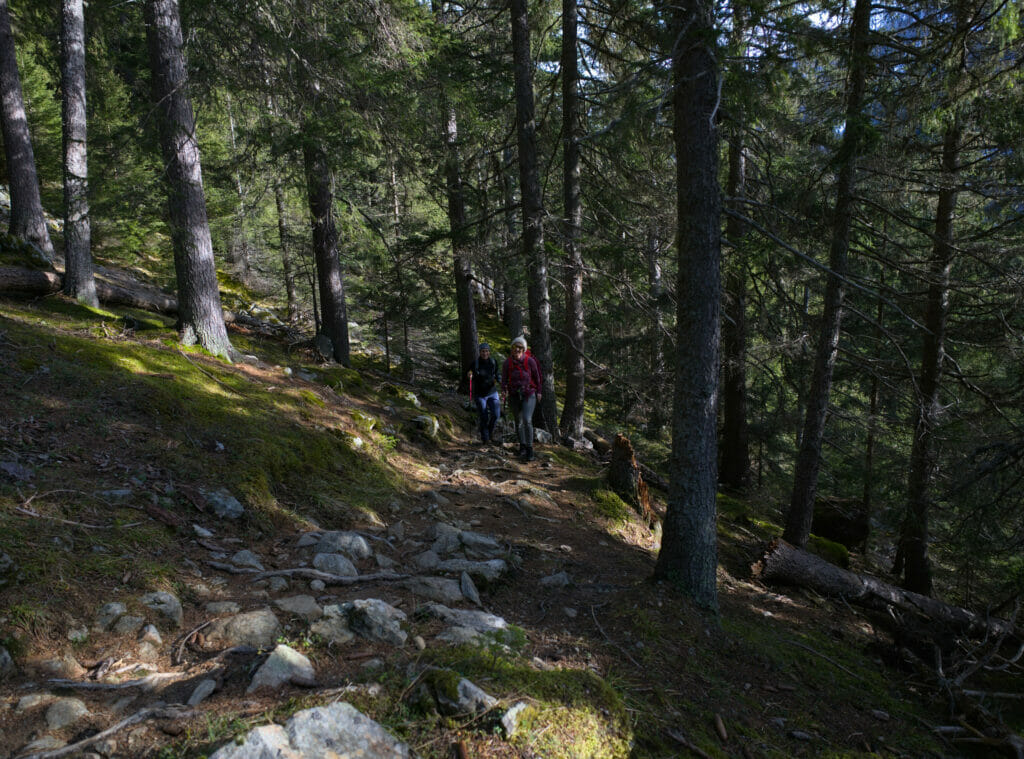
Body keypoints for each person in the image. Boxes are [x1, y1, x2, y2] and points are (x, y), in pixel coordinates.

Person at [502, 335, 542, 461]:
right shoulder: (507, 362)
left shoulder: (530, 361)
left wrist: (539, 392)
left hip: (529, 394)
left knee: (526, 419)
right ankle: (522, 446)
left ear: (524, 349)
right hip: (514, 395)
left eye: (520, 347)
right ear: (512, 349)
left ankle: (530, 449)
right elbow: (504, 379)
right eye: (515, 347)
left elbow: (537, 377)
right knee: (518, 421)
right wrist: (504, 391)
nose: (517, 350)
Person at [468, 343, 501, 444]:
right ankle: (485, 438)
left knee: (496, 415)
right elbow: (469, 372)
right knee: (484, 416)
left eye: (486, 351)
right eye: (483, 351)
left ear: (489, 352)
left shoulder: (493, 362)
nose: (485, 353)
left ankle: (489, 433)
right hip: (480, 394)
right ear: (480, 352)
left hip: (492, 392)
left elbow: (497, 373)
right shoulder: (475, 363)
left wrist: (500, 380)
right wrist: (469, 375)